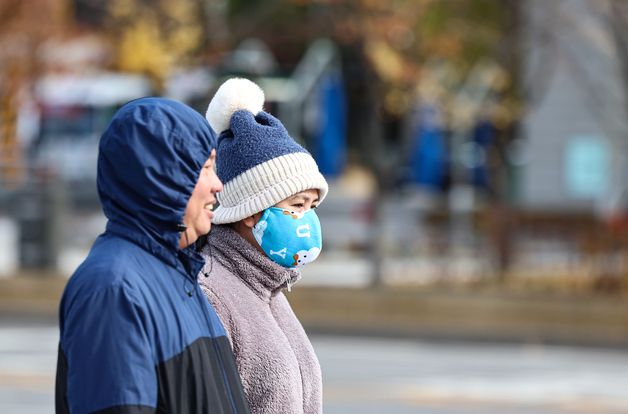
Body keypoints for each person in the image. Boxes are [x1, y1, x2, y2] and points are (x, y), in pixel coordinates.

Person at [55, 98, 250, 414]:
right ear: (163, 177)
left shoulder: (179, 275)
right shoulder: (114, 289)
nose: (217, 184)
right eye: (206, 167)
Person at [198, 78, 329, 414]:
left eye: (312, 207)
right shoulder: (212, 294)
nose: (307, 220)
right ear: (251, 212)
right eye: (297, 205)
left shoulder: (268, 286)